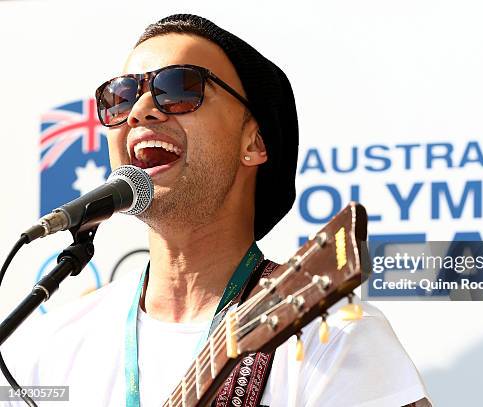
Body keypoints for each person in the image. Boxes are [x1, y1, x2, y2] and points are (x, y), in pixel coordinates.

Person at [1, 14, 431, 407]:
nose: (139, 111)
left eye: (179, 88)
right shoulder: (48, 344)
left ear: (254, 142)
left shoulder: (334, 338)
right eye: (120, 96)